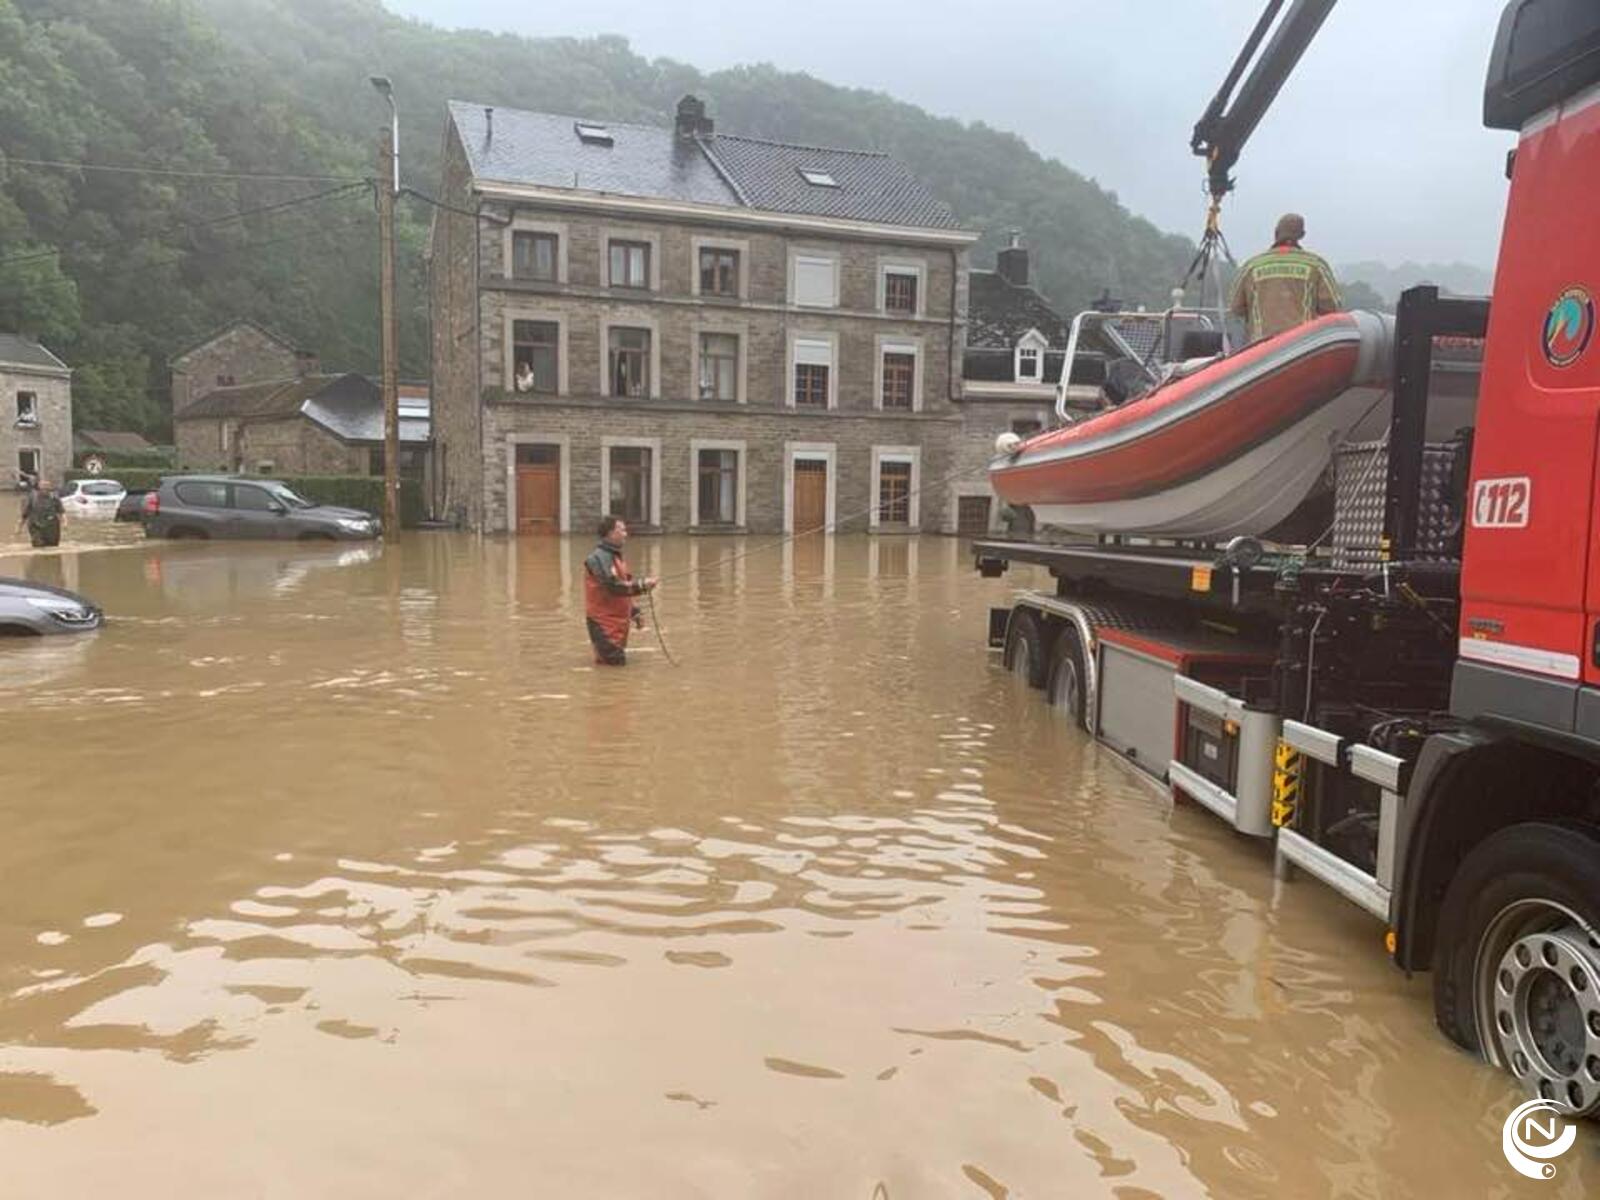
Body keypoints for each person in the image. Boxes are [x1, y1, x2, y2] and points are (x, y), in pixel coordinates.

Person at [1229, 213, 1342, 343]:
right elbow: (1332, 307)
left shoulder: (1251, 266)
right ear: (1302, 235)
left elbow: (1235, 307)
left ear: (1276, 232)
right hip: (1302, 345)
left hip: (1260, 347)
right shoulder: (1316, 265)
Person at [584, 515, 658, 666]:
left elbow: (624, 587)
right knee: (612, 669)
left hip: (617, 624)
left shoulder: (615, 557)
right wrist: (643, 585)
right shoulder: (598, 558)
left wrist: (635, 611)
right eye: (622, 530)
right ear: (611, 533)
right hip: (604, 625)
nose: (626, 534)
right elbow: (613, 586)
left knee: (614, 668)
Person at [17, 477, 65, 548]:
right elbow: (25, 514)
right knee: (39, 545)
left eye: (47, 489)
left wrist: (65, 523)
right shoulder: (32, 498)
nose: (45, 491)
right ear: (39, 489)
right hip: (36, 525)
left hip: (51, 527)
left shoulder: (54, 498)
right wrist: (19, 527)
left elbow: (61, 511)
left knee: (52, 547)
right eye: (43, 489)